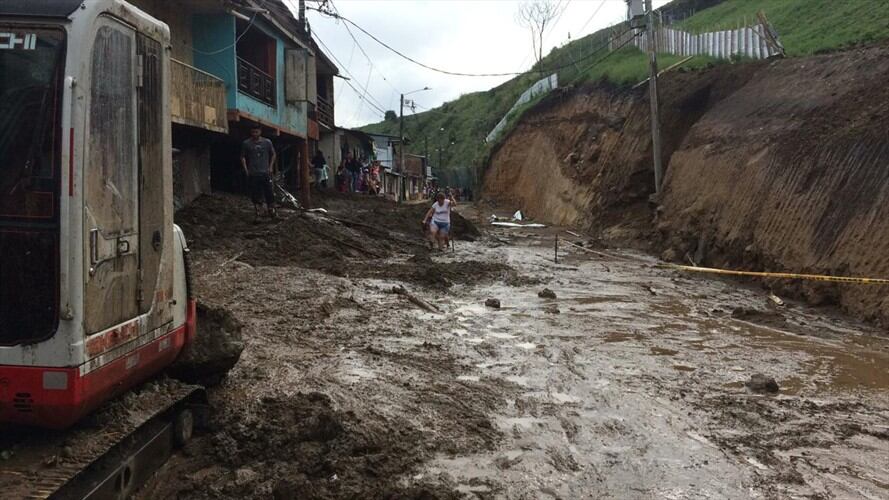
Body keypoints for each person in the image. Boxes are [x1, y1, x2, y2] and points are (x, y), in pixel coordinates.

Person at [240, 125, 277, 220]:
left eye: (256, 132)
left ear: (260, 132)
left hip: (265, 172)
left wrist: (271, 167)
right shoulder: (246, 143)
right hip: (253, 173)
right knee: (255, 194)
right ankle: (258, 213)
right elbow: (243, 157)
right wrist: (246, 169)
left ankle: (272, 210)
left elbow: (273, 154)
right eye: (253, 132)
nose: (254, 134)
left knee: (269, 192)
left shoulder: (267, 142)